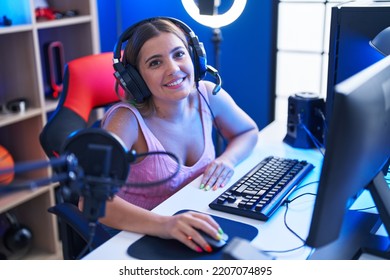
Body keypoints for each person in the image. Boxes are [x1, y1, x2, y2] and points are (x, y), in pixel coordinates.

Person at [90, 17, 259, 253]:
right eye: (155, 63)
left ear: (195, 58)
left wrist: (227, 160)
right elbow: (93, 201)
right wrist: (166, 224)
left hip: (191, 219)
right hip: (136, 235)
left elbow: (248, 132)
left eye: (179, 54)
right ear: (135, 78)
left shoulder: (207, 95)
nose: (173, 69)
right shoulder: (126, 120)